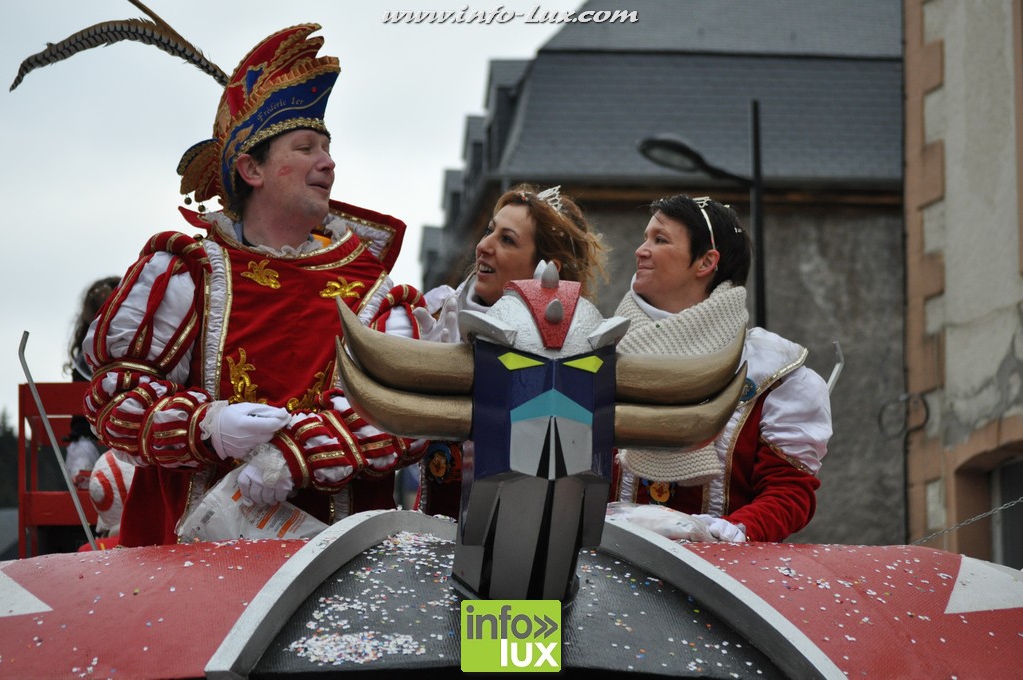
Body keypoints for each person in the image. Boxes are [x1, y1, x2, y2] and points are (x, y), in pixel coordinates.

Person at [82, 24, 424, 547]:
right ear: (251, 169)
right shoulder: (190, 273)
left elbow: (405, 418)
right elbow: (115, 402)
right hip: (192, 570)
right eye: (306, 147)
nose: (328, 163)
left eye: (328, 148)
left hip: (336, 572)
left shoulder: (374, 292)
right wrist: (208, 426)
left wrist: (298, 454)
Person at [610, 195, 832, 543]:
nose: (640, 250)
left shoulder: (772, 373)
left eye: (660, 239)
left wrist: (732, 530)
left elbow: (789, 493)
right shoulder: (602, 355)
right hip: (606, 567)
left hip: (722, 570)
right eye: (645, 238)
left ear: (706, 262)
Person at [412, 184, 608, 517]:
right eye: (489, 231)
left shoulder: (580, 350)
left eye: (507, 240)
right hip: (430, 536)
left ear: (547, 268)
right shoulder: (438, 315)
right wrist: (422, 376)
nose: (483, 246)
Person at [64, 276, 120, 490]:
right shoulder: (133, 349)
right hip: (125, 429)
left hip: (87, 430)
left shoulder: (83, 359)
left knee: (82, 432)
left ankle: (82, 464)